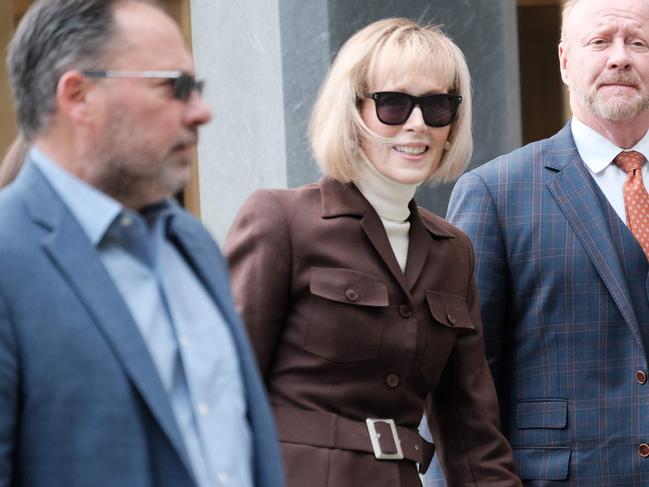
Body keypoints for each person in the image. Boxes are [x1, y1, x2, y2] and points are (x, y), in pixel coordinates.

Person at [224, 17, 521, 487]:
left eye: (437, 105)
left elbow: (472, 435)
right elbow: (224, 393)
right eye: (393, 104)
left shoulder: (452, 253)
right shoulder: (280, 220)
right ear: (353, 111)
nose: (418, 124)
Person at [0, 1, 284, 486]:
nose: (202, 112)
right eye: (172, 87)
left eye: (196, 88)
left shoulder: (193, 243)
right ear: (79, 95)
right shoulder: (10, 254)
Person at [445, 0, 649, 484]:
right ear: (563, 61)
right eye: (599, 41)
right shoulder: (495, 193)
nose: (619, 57)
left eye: (638, 42)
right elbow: (463, 390)